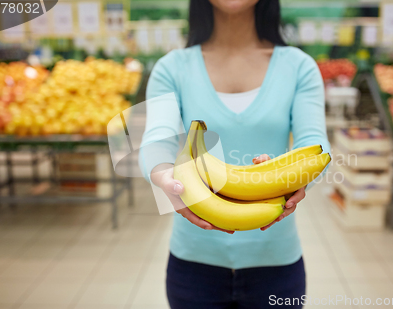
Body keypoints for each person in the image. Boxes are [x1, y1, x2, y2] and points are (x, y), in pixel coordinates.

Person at [140, 0, 330, 308]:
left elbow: (314, 141)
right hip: (193, 264)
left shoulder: (299, 66)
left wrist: (294, 176)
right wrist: (163, 176)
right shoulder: (172, 67)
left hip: (276, 262)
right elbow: (157, 138)